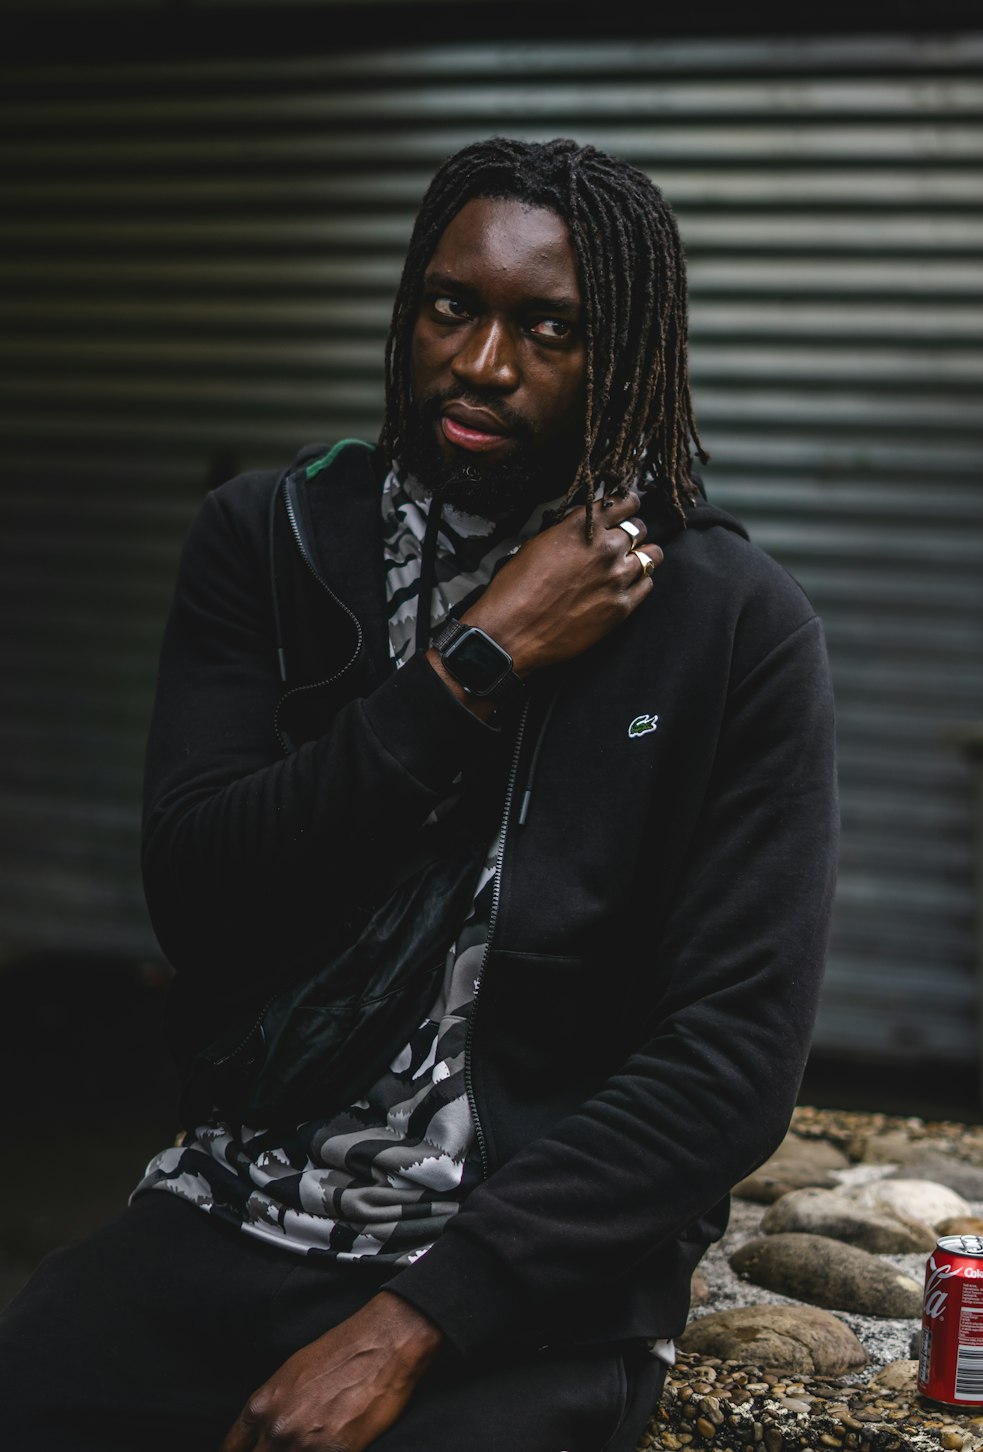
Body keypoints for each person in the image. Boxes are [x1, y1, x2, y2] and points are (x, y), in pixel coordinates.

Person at [0, 137, 838, 1451]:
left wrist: (412, 1321)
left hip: (527, 1284)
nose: (483, 364)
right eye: (454, 307)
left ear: (621, 354)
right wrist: (474, 661)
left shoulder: (734, 628)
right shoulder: (269, 541)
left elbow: (727, 1060)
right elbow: (204, 899)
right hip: (236, 1205)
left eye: (546, 327)